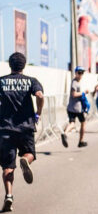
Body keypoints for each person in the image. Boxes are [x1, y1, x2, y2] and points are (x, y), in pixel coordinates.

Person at [0, 52, 44, 211]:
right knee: (29, 153)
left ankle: (9, 195)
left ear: (10, 65)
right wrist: (37, 113)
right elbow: (39, 95)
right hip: (25, 127)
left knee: (7, 165)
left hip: (5, 129)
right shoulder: (31, 81)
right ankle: (25, 160)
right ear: (24, 65)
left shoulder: (2, 81)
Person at [61, 66, 89, 148]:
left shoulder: (77, 82)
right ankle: (80, 141)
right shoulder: (75, 83)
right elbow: (73, 94)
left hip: (72, 108)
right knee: (81, 123)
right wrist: (84, 92)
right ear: (76, 73)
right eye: (79, 73)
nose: (81, 74)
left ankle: (65, 134)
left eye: (82, 73)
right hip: (77, 108)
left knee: (72, 123)